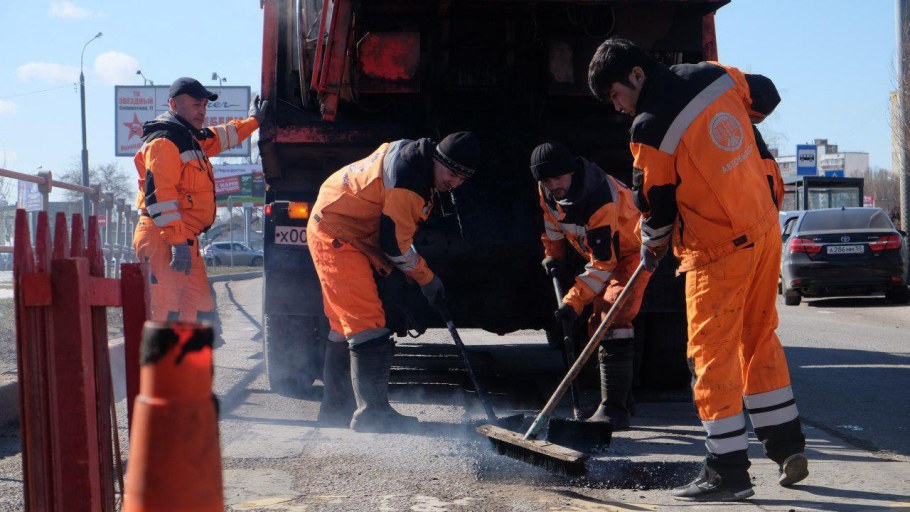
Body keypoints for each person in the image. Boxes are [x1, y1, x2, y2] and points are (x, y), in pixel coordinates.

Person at [588, 38, 806, 502]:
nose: (618, 107)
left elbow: (655, 206)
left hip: (718, 249)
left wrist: (650, 248)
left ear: (636, 75)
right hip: (765, 227)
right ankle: (787, 446)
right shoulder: (712, 75)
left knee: (709, 356)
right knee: (759, 336)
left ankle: (727, 471)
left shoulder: (649, 129)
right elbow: (765, 93)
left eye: (615, 95)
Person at [307, 132, 481, 432]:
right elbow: (394, 246)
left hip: (341, 225)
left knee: (343, 325)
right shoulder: (409, 183)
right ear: (437, 159)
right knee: (367, 323)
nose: (454, 183)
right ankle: (372, 414)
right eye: (451, 174)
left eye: (462, 180)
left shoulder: (412, 156)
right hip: (338, 234)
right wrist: (427, 279)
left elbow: (396, 234)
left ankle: (334, 410)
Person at [531, 142, 651, 431]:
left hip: (631, 252)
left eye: (558, 178)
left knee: (613, 314)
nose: (553, 186)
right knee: (596, 322)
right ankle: (623, 398)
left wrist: (573, 302)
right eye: (546, 181)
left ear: (571, 171)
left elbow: (604, 264)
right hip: (602, 254)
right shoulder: (547, 191)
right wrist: (554, 255)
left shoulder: (599, 196)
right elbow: (552, 222)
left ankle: (614, 410)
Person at [133, 77, 267, 325]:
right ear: (174, 104)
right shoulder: (164, 141)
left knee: (199, 314)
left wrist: (253, 122)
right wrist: (177, 241)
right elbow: (160, 197)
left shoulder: (188, 137)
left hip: (181, 239)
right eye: (196, 104)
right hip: (162, 238)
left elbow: (221, 136)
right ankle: (164, 363)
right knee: (166, 315)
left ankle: (192, 364)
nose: (202, 111)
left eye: (205, 105)